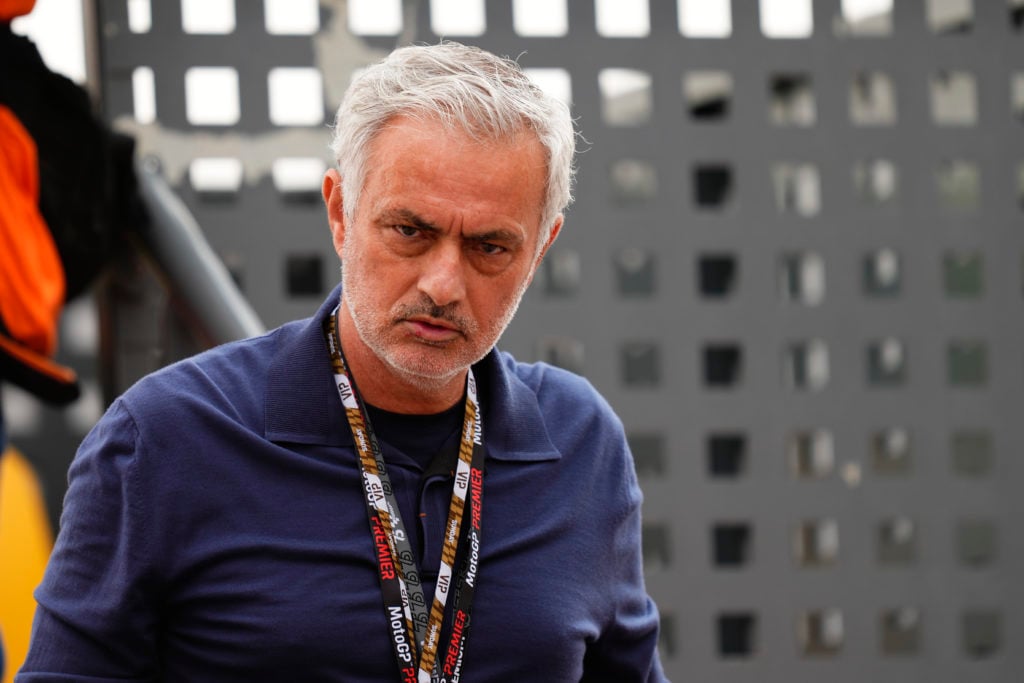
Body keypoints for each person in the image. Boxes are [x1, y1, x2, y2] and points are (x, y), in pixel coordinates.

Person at [19, 42, 666, 682]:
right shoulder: (164, 438)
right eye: (410, 231)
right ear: (340, 213)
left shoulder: (581, 440)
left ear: (541, 247)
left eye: (489, 246)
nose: (443, 283)